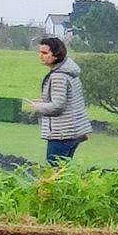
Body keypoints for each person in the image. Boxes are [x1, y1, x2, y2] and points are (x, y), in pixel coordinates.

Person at [21, 35, 90, 164]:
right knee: (62, 172)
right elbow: (67, 100)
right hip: (73, 131)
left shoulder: (59, 76)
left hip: (61, 133)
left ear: (56, 55)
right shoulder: (69, 72)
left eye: (45, 53)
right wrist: (44, 102)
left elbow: (58, 106)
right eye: (40, 52)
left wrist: (38, 107)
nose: (40, 56)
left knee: (53, 173)